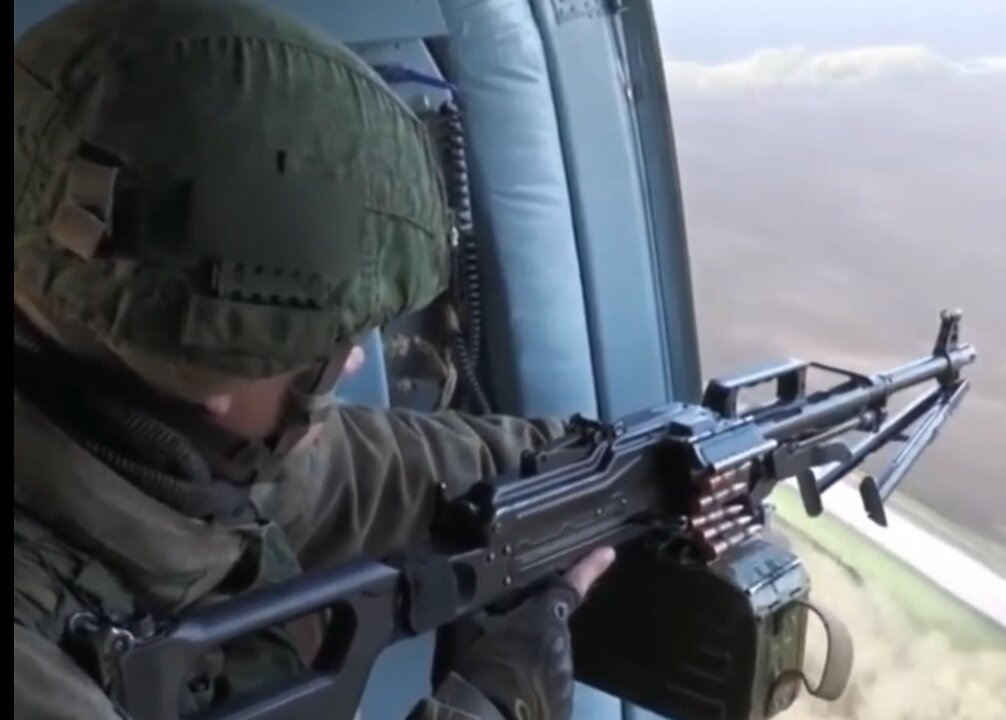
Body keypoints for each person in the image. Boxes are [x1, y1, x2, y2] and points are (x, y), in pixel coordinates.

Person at [13, 1, 615, 719]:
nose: (354, 363)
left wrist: (615, 471)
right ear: (214, 370)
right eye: (324, 348)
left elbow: (405, 471)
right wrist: (495, 706)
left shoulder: (167, 446)